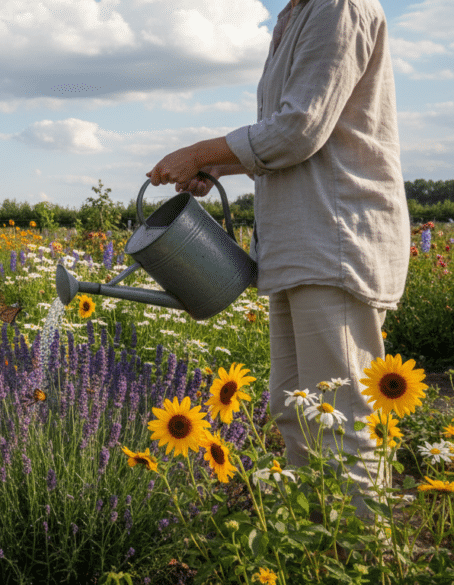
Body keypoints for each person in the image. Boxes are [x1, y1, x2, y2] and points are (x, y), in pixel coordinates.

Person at [146, 0, 409, 519]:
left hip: (336, 237)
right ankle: (316, 552)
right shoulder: (299, 14)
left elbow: (301, 128)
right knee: (296, 413)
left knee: (341, 422)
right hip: (301, 243)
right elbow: (295, 136)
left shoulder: (340, 7)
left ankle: (363, 561)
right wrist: (219, 165)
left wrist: (202, 151)